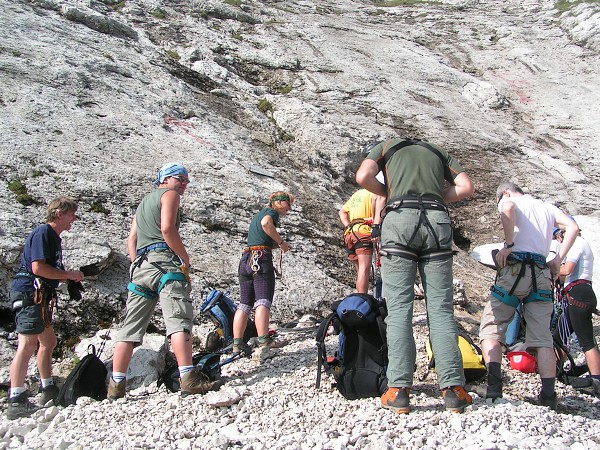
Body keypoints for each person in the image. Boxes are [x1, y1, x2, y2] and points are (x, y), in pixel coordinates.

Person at [356, 137, 475, 414]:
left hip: (399, 221)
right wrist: (435, 196)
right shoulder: (439, 150)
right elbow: (466, 187)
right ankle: (454, 390)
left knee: (399, 310)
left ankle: (398, 390)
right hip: (437, 221)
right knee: (442, 310)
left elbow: (363, 176)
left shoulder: (387, 147)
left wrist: (390, 192)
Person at [109, 163, 221, 400]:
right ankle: (189, 378)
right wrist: (184, 258)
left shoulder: (142, 204)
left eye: (186, 180)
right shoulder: (170, 195)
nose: (184, 183)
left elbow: (132, 239)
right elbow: (168, 229)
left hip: (140, 267)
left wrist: (136, 263)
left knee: (129, 328)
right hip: (165, 263)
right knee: (178, 320)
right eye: (180, 178)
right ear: (165, 179)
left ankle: (116, 385)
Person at [478, 182, 578, 410]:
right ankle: (548, 395)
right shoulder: (547, 207)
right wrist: (558, 259)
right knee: (541, 335)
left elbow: (509, 208)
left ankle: (494, 388)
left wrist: (509, 244)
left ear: (504, 192)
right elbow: (572, 226)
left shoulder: (508, 200)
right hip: (541, 273)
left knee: (492, 326)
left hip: (514, 270)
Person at [7, 196, 85, 420]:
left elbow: (47, 269)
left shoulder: (53, 238)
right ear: (59, 214)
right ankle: (16, 398)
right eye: (72, 214)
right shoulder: (43, 233)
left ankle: (48, 387)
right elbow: (38, 267)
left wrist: (67, 278)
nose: (74, 219)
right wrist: (68, 275)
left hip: (40, 296)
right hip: (30, 293)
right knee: (28, 343)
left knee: (48, 342)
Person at [232, 191, 294, 355]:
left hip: (246, 259)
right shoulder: (271, 213)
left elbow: (260, 234)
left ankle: (237, 344)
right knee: (263, 301)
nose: (290, 207)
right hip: (260, 259)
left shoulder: (257, 214)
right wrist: (281, 243)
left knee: (244, 303)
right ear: (279, 202)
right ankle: (264, 341)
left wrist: (274, 244)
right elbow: (267, 224)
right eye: (288, 203)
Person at [553, 224, 600, 394]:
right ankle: (555, 372)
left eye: (560, 236)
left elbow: (567, 269)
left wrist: (547, 267)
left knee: (586, 341)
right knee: (559, 336)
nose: (560, 240)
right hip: (577, 293)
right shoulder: (579, 244)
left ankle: (597, 381)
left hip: (578, 293)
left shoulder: (578, 242)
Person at [338, 188, 385, 293]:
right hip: (363, 232)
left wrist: (348, 226)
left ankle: (360, 297)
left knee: (360, 271)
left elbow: (342, 212)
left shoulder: (357, 194)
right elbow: (376, 203)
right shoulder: (376, 192)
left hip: (350, 233)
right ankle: (362, 298)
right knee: (364, 269)